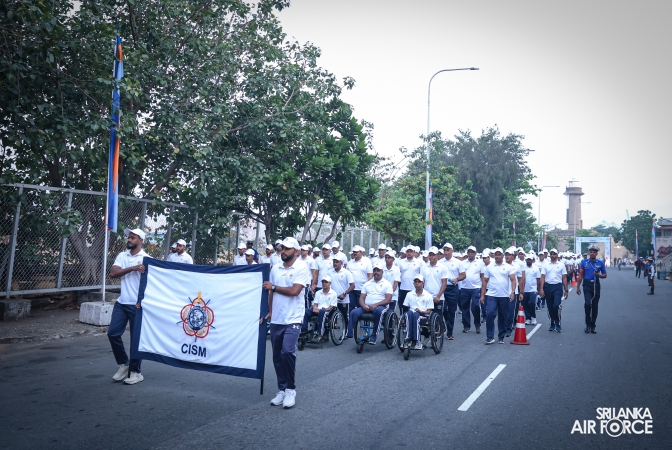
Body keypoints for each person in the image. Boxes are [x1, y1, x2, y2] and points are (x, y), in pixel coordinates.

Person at [261, 237, 311, 409]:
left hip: (293, 317)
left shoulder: (302, 267)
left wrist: (274, 287)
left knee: (287, 351)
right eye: (282, 248)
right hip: (277, 318)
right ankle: (281, 389)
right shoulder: (275, 268)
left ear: (296, 251)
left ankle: (290, 389)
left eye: (288, 248)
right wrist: (270, 311)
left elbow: (295, 291)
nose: (283, 251)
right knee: (277, 356)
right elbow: (270, 293)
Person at [108, 228, 151, 385]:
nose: (129, 239)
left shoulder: (147, 259)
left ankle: (135, 372)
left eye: (133, 237)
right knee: (113, 333)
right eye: (129, 237)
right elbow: (113, 273)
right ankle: (124, 364)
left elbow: (153, 283)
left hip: (137, 305)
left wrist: (143, 300)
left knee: (136, 339)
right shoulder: (122, 255)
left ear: (141, 240)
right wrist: (133, 268)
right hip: (122, 302)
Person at [346, 263, 393, 345]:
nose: (376, 272)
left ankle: (374, 335)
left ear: (382, 272)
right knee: (353, 312)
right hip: (367, 307)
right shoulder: (367, 284)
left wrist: (375, 305)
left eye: (378, 270)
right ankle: (349, 333)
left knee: (379, 311)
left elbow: (388, 300)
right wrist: (363, 305)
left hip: (381, 307)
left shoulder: (387, 284)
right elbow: (361, 298)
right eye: (374, 270)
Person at [480, 248, 516, 344]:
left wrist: (512, 292)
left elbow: (513, 280)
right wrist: (482, 295)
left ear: (502, 256)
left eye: (499, 254)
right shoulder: (489, 267)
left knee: (503, 316)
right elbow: (485, 281)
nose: (498, 256)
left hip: (504, 295)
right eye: (496, 254)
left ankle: (501, 336)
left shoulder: (508, 267)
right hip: (491, 295)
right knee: (490, 313)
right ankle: (490, 336)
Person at [576, 245, 607, 333]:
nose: (592, 253)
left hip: (596, 285)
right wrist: (578, 287)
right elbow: (581, 275)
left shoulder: (600, 263)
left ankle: (593, 325)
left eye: (594, 252)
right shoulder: (584, 262)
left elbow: (605, 275)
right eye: (591, 252)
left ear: (596, 253)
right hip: (587, 284)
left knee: (595, 306)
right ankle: (587, 324)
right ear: (589, 253)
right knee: (587, 304)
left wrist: (599, 275)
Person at [439, 243, 464, 339]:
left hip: (452, 288)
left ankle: (450, 332)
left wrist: (457, 279)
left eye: (448, 250)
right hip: (442, 287)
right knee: (441, 308)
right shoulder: (440, 262)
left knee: (452, 310)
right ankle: (443, 325)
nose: (446, 252)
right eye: (445, 250)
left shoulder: (458, 262)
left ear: (452, 251)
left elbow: (463, 275)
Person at [301, 275, 337, 342]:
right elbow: (315, 304)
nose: (324, 283)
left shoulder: (333, 293)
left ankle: (320, 332)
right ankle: (304, 332)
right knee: (305, 311)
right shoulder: (318, 293)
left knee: (322, 312)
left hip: (327, 311)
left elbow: (331, 306)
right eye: (323, 282)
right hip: (318, 309)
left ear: (330, 283)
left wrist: (321, 310)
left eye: (326, 282)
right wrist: (315, 308)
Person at [540, 249, 568, 332]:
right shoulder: (546, 265)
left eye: (554, 254)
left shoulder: (561, 265)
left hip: (557, 287)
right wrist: (541, 289)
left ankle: (557, 323)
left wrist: (566, 290)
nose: (552, 255)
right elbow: (543, 277)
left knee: (556, 305)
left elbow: (564, 278)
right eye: (551, 254)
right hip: (548, 286)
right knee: (550, 306)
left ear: (557, 255)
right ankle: (552, 323)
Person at [403, 274, 434, 350]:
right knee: (410, 313)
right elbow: (405, 307)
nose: (417, 283)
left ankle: (417, 340)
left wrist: (422, 311)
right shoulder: (409, 294)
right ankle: (408, 337)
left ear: (423, 283)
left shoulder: (428, 295)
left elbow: (429, 311)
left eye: (419, 282)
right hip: (411, 314)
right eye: (415, 281)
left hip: (423, 315)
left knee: (416, 315)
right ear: (413, 283)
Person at [421, 246, 448, 332]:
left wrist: (438, 296)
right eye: (430, 255)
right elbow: (422, 282)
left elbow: (444, 283)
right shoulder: (424, 267)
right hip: (426, 296)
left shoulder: (442, 267)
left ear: (437, 256)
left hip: (438, 297)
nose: (432, 256)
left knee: (438, 316)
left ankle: (439, 331)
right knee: (425, 317)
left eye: (433, 255)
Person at [459, 246, 485, 334]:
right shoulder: (463, 263)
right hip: (464, 287)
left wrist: (483, 289)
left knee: (475, 306)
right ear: (467, 253)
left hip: (476, 288)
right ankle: (466, 325)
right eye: (469, 252)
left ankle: (477, 324)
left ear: (475, 253)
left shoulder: (480, 263)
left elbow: (482, 276)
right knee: (465, 307)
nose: (470, 253)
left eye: (472, 252)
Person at [327, 256, 355, 330]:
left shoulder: (346, 272)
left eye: (337, 262)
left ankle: (346, 333)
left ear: (341, 263)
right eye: (334, 262)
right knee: (329, 317)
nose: (335, 263)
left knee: (345, 317)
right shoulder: (329, 272)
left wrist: (344, 294)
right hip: (332, 299)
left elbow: (352, 286)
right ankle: (327, 334)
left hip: (343, 300)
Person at [505, 247, 525, 337]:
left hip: (513, 292)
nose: (507, 256)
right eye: (506, 255)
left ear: (513, 256)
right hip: (502, 293)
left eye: (509, 255)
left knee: (511, 311)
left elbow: (520, 280)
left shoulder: (517, 266)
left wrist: (521, 292)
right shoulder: (501, 265)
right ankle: (503, 327)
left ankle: (508, 328)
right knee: (503, 312)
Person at [397, 246, 423, 313]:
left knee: (414, 308)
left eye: (411, 251)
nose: (409, 253)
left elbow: (422, 275)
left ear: (414, 252)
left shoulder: (419, 262)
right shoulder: (401, 262)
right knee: (403, 307)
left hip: (414, 289)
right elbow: (397, 273)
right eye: (408, 251)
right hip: (403, 288)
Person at [522, 253, 541, 325]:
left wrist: (539, 289)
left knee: (532, 303)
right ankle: (528, 318)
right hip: (525, 289)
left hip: (533, 289)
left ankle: (533, 317)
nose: (528, 261)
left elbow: (538, 279)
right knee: (525, 304)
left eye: (530, 260)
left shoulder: (536, 268)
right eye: (527, 260)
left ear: (532, 260)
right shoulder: (523, 268)